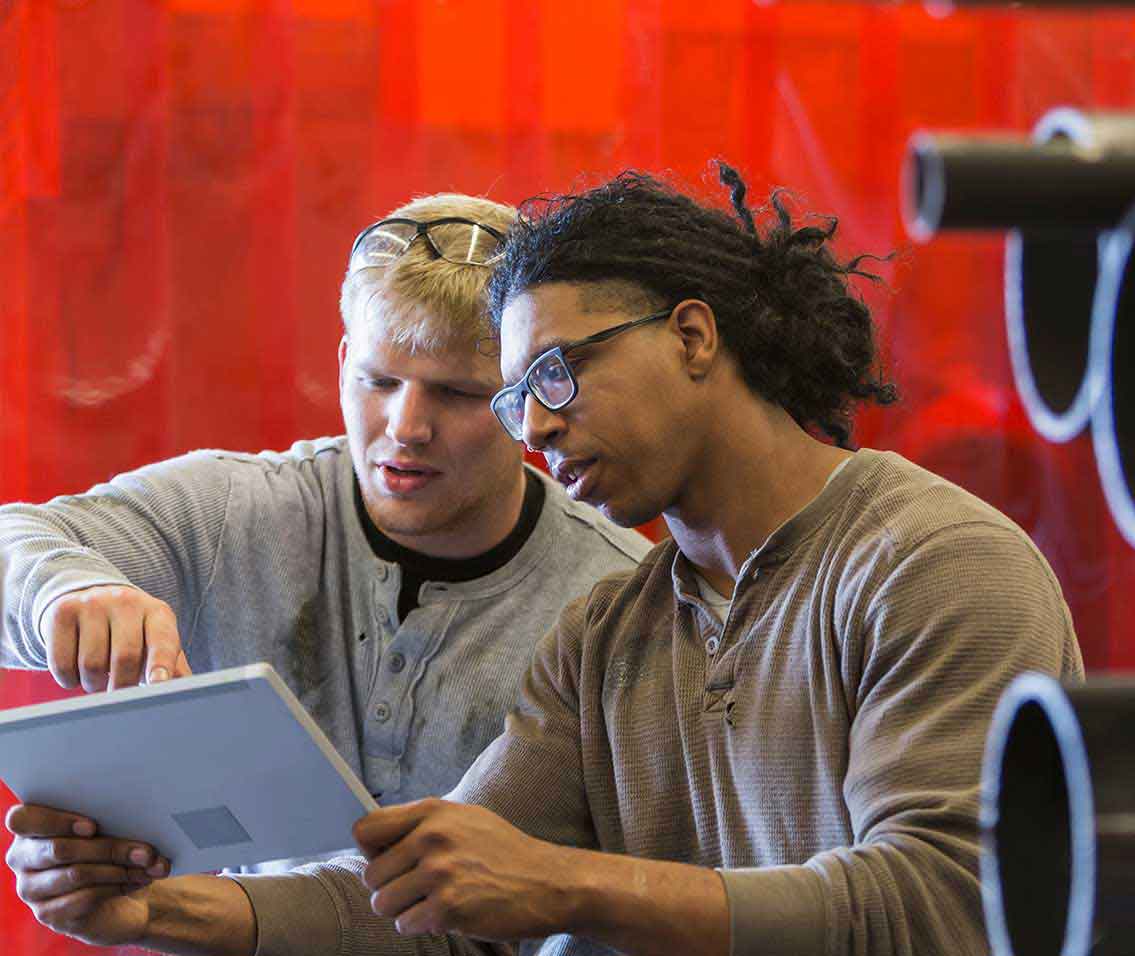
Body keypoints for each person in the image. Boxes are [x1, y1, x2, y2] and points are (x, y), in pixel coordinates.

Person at [5, 165, 1083, 956]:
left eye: (550, 379)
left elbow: (943, 904)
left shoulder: (934, 562)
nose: (535, 430)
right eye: (514, 398)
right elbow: (434, 902)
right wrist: (156, 908)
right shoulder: (610, 632)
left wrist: (568, 883)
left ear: (694, 338)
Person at [0, 193, 651, 872]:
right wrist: (61, 593)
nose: (405, 426)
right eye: (378, 380)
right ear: (342, 364)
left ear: (524, 398)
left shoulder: (616, 598)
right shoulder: (230, 513)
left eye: (455, 394)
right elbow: (15, 544)